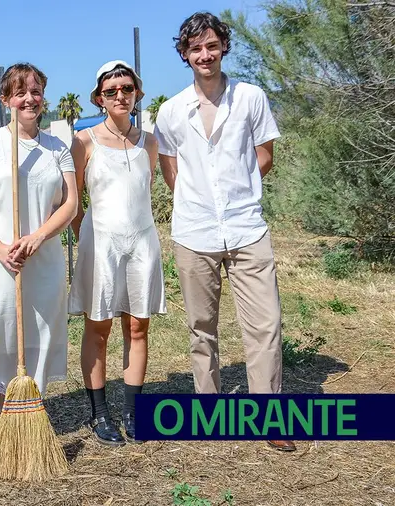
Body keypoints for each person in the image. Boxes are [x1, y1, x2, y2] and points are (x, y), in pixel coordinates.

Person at [153, 12, 296, 452]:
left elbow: (264, 156)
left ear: (223, 47)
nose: (205, 55)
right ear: (184, 53)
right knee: (201, 327)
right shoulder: (172, 110)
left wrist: (236, 187)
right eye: (195, 48)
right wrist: (198, 199)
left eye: (212, 46)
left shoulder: (251, 97)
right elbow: (169, 168)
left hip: (246, 226)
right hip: (194, 232)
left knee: (265, 324)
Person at [0, 63, 78, 406]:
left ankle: (34, 412)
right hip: (3, 263)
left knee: (40, 337)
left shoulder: (58, 147)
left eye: (36, 91)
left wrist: (38, 237)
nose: (30, 99)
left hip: (44, 261)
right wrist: (0, 249)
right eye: (20, 93)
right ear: (5, 99)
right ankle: (9, 419)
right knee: (5, 338)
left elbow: (70, 203)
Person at [69, 61, 166, 446]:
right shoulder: (85, 141)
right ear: (99, 98)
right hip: (101, 244)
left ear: (137, 93)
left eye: (126, 89)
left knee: (138, 326)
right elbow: (74, 201)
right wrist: (87, 240)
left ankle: (133, 412)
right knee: (99, 327)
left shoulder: (150, 142)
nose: (120, 96)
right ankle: (100, 414)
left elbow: (144, 191)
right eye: (111, 91)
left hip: (142, 241)